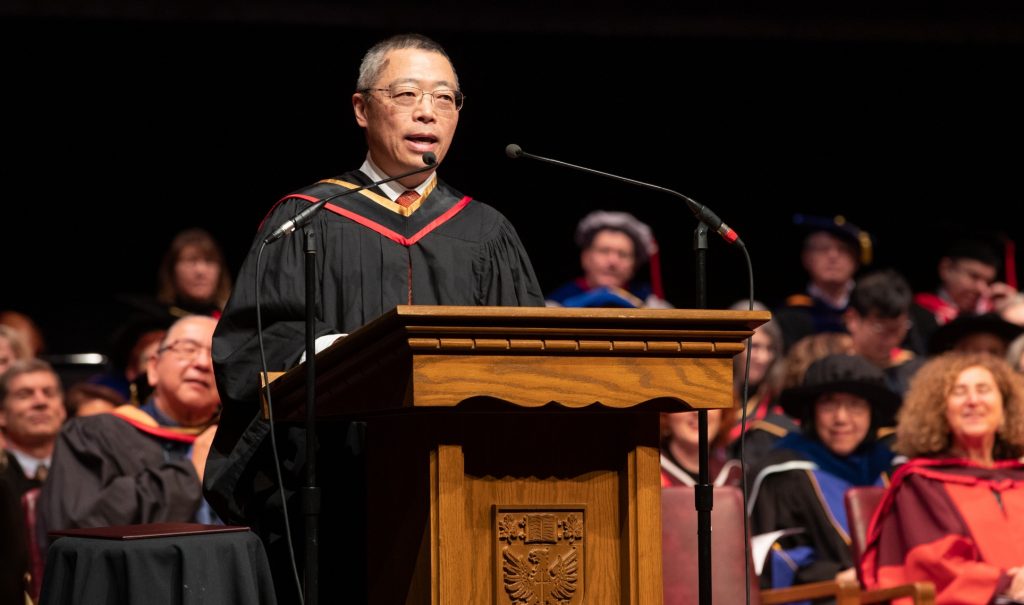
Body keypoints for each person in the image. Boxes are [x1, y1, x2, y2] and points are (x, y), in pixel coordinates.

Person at [204, 33, 544, 604]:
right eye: (407, 93)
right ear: (362, 108)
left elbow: (529, 357)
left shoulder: (487, 233)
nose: (426, 112)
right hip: (336, 491)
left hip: (464, 490)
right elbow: (251, 351)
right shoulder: (305, 219)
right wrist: (340, 353)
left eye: (444, 98)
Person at [38, 315, 221, 541]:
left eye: (216, 355)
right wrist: (189, 474)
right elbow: (77, 528)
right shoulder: (94, 435)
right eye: (188, 349)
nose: (202, 363)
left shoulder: (238, 446)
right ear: (153, 367)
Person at [862, 352, 1024, 604]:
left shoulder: (1017, 478)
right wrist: (1007, 582)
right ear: (939, 411)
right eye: (959, 392)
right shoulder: (922, 483)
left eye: (984, 389)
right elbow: (934, 563)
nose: (973, 401)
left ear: (1005, 408)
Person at [748, 354, 899, 590]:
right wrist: (833, 578)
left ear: (872, 413)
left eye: (855, 405)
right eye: (829, 403)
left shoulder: (892, 470)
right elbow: (770, 553)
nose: (841, 418)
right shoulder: (784, 475)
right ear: (812, 412)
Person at [773, 214, 872, 351]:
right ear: (806, 258)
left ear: (856, 260)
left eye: (843, 249)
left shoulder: (871, 311)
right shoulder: (791, 315)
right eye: (823, 248)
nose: (833, 256)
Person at [911, 237, 1019, 350]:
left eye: (988, 282)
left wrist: (1007, 313)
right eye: (974, 276)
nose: (982, 289)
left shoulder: (990, 317)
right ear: (945, 268)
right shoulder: (916, 313)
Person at [546, 210, 670, 308]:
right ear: (585, 258)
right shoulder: (555, 303)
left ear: (634, 265)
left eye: (623, 254)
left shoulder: (652, 305)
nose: (613, 261)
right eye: (604, 251)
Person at [843, 269, 924, 396]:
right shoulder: (834, 370)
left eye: (897, 328)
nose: (891, 340)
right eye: (880, 328)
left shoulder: (915, 370)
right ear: (852, 319)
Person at [0, 359, 66, 498]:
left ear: (62, 409)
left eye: (48, 393)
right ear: (2, 415)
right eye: (25, 395)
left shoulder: (88, 470)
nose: (41, 402)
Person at [660, 407, 741, 487]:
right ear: (665, 414)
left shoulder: (738, 477)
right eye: (686, 403)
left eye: (709, 402)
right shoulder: (651, 475)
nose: (697, 412)